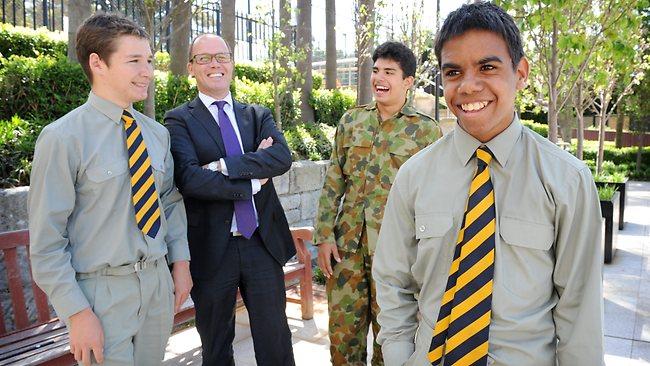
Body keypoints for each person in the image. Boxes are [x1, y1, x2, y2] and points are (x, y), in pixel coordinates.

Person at [373, 2, 604, 365]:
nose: (468, 86)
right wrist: (402, 358)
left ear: (521, 72)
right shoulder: (414, 176)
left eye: (488, 67)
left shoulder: (568, 180)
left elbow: (580, 310)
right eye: (453, 72)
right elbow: (392, 282)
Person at [28, 13, 192, 366]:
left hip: (156, 287)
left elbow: (169, 201)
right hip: (100, 296)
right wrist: (77, 313)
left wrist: (181, 264)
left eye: (149, 60)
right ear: (97, 63)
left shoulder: (157, 134)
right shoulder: (62, 138)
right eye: (134, 61)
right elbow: (46, 244)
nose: (147, 71)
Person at [164, 34, 295, 365]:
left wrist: (223, 166)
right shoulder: (179, 119)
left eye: (221, 57)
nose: (215, 65)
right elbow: (190, 179)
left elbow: (280, 157)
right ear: (191, 67)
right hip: (211, 249)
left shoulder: (256, 114)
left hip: (261, 244)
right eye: (204, 58)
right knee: (216, 344)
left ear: (232, 63)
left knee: (275, 340)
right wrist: (252, 182)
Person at [314, 41, 441, 365]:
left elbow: (435, 197)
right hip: (347, 248)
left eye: (389, 72)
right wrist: (325, 235)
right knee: (343, 338)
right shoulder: (351, 121)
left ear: (408, 81)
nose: (379, 78)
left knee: (393, 339)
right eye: (375, 70)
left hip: (398, 253)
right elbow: (334, 179)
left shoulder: (426, 132)